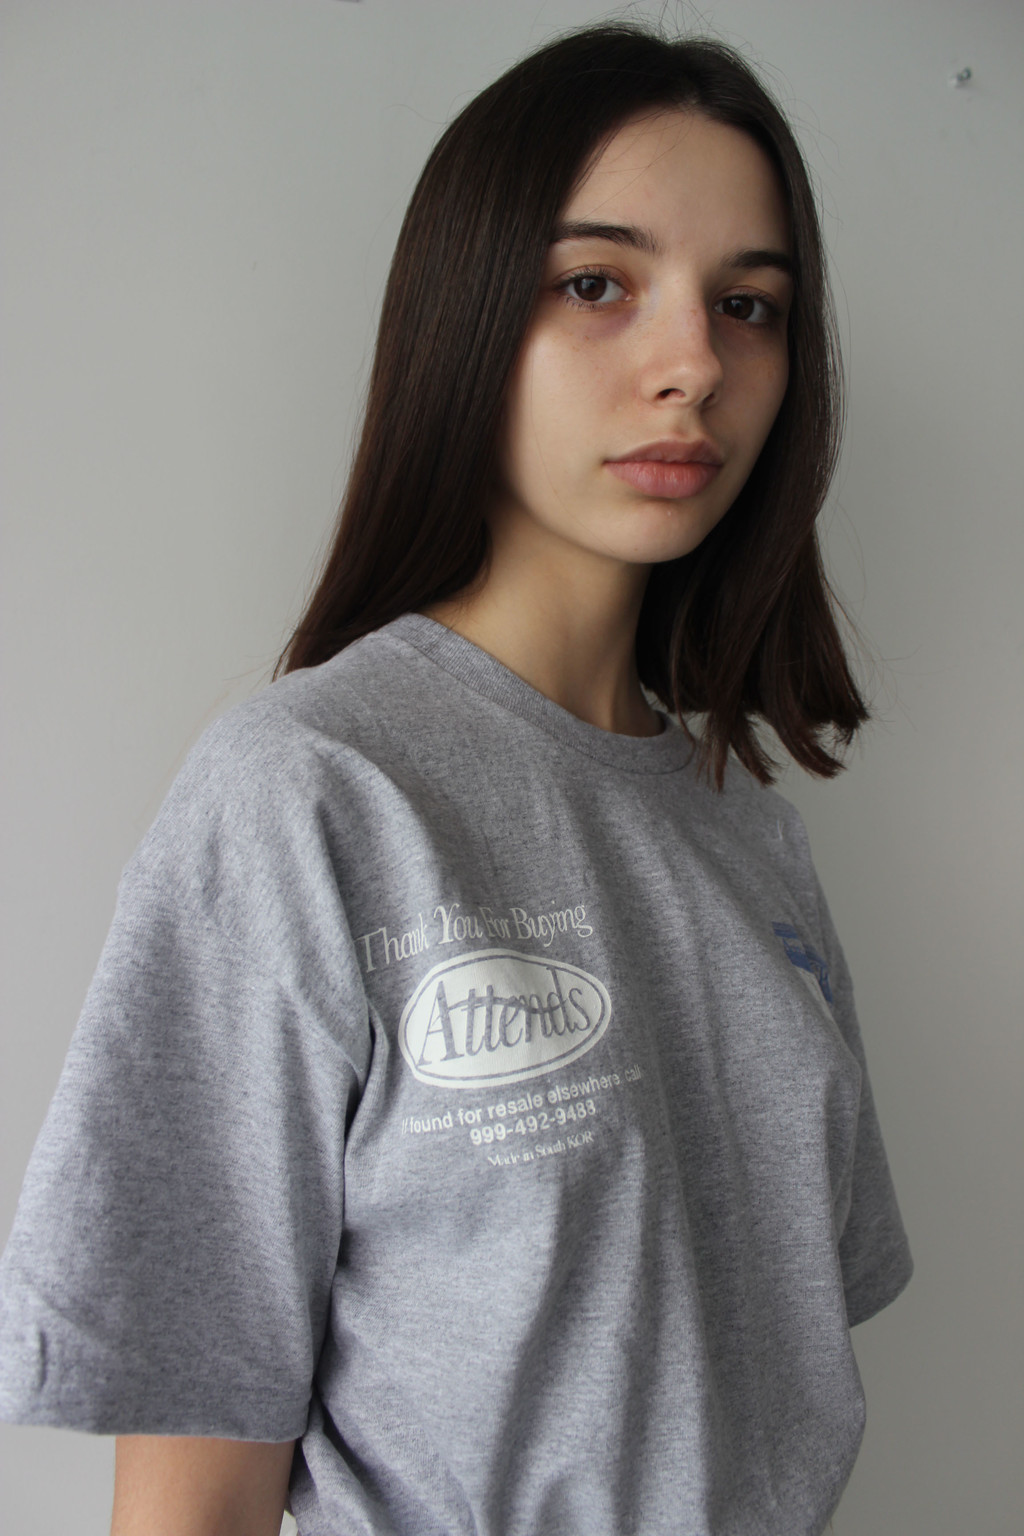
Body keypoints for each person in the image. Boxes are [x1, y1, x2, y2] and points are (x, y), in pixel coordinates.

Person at [0, 21, 912, 1536]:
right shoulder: (310, 796)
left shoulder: (754, 834)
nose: (695, 364)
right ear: (467, 312)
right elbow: (190, 1498)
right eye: (597, 284)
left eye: (747, 305)